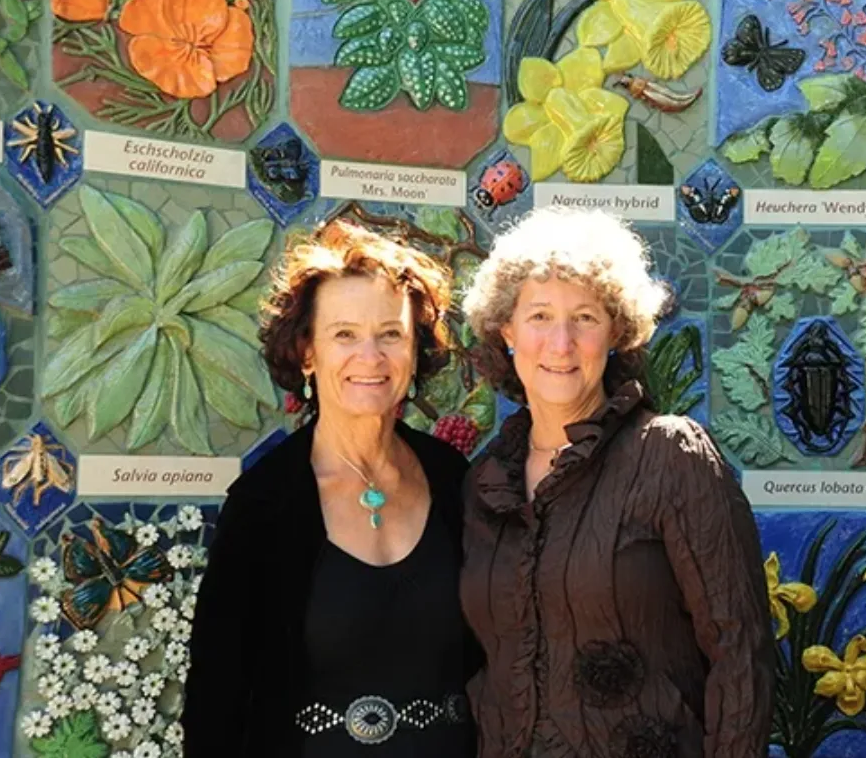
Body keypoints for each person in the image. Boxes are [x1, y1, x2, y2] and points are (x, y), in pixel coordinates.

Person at [459, 207, 774, 758]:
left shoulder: (670, 455)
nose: (560, 342)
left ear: (617, 332)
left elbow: (740, 652)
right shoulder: (484, 483)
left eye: (584, 317)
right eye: (538, 316)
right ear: (506, 329)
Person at [182, 213, 479, 757]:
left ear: (415, 352)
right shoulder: (265, 504)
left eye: (391, 334)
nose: (371, 357)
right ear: (308, 352)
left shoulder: (454, 479)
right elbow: (215, 699)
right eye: (345, 335)